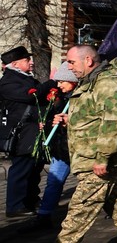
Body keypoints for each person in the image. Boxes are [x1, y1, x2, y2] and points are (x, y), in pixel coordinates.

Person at [56, 45, 117, 243]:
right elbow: (95, 116)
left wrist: (102, 157)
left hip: (97, 162)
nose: (69, 67)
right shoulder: (91, 82)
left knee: (79, 212)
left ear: (88, 60)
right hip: (95, 157)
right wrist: (70, 119)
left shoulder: (107, 83)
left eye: (71, 62)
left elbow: (115, 120)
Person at [0, 45, 53, 218]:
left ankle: (31, 200)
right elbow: (32, 96)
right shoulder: (8, 82)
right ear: (15, 64)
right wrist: (52, 82)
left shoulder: (26, 78)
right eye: (26, 60)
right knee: (21, 168)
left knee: (34, 168)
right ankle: (14, 206)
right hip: (21, 133)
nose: (30, 63)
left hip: (34, 131)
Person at [21, 62, 74, 232]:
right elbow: (52, 119)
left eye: (61, 81)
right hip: (62, 148)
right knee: (53, 181)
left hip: (82, 148)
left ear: (72, 79)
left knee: (96, 183)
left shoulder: (85, 95)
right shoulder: (59, 97)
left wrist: (69, 120)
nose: (58, 85)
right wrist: (48, 124)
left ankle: (114, 208)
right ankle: (43, 216)